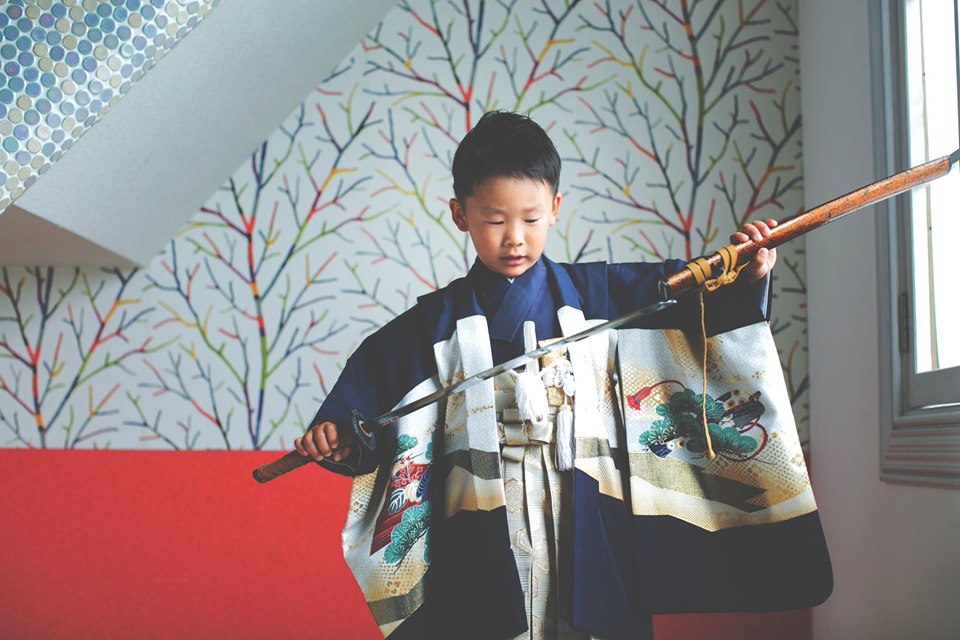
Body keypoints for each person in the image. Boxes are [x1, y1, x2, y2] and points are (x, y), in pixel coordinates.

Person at [296, 111, 782, 640]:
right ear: (460, 215)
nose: (514, 239)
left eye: (530, 218)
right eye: (494, 219)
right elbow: (367, 403)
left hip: (585, 507)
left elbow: (696, 301)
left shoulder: (603, 297)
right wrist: (341, 436)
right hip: (481, 519)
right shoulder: (430, 327)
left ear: (554, 209)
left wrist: (744, 275)